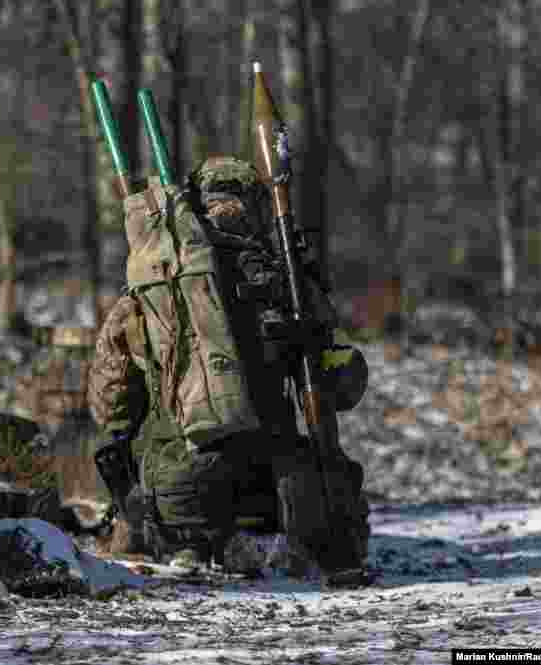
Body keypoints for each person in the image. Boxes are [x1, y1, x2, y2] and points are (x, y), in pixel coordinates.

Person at [87, 157, 369, 578]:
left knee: (129, 451)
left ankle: (189, 546)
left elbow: (110, 407)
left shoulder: (153, 289)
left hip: (178, 496)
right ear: (257, 209)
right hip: (278, 492)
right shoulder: (286, 284)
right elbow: (344, 389)